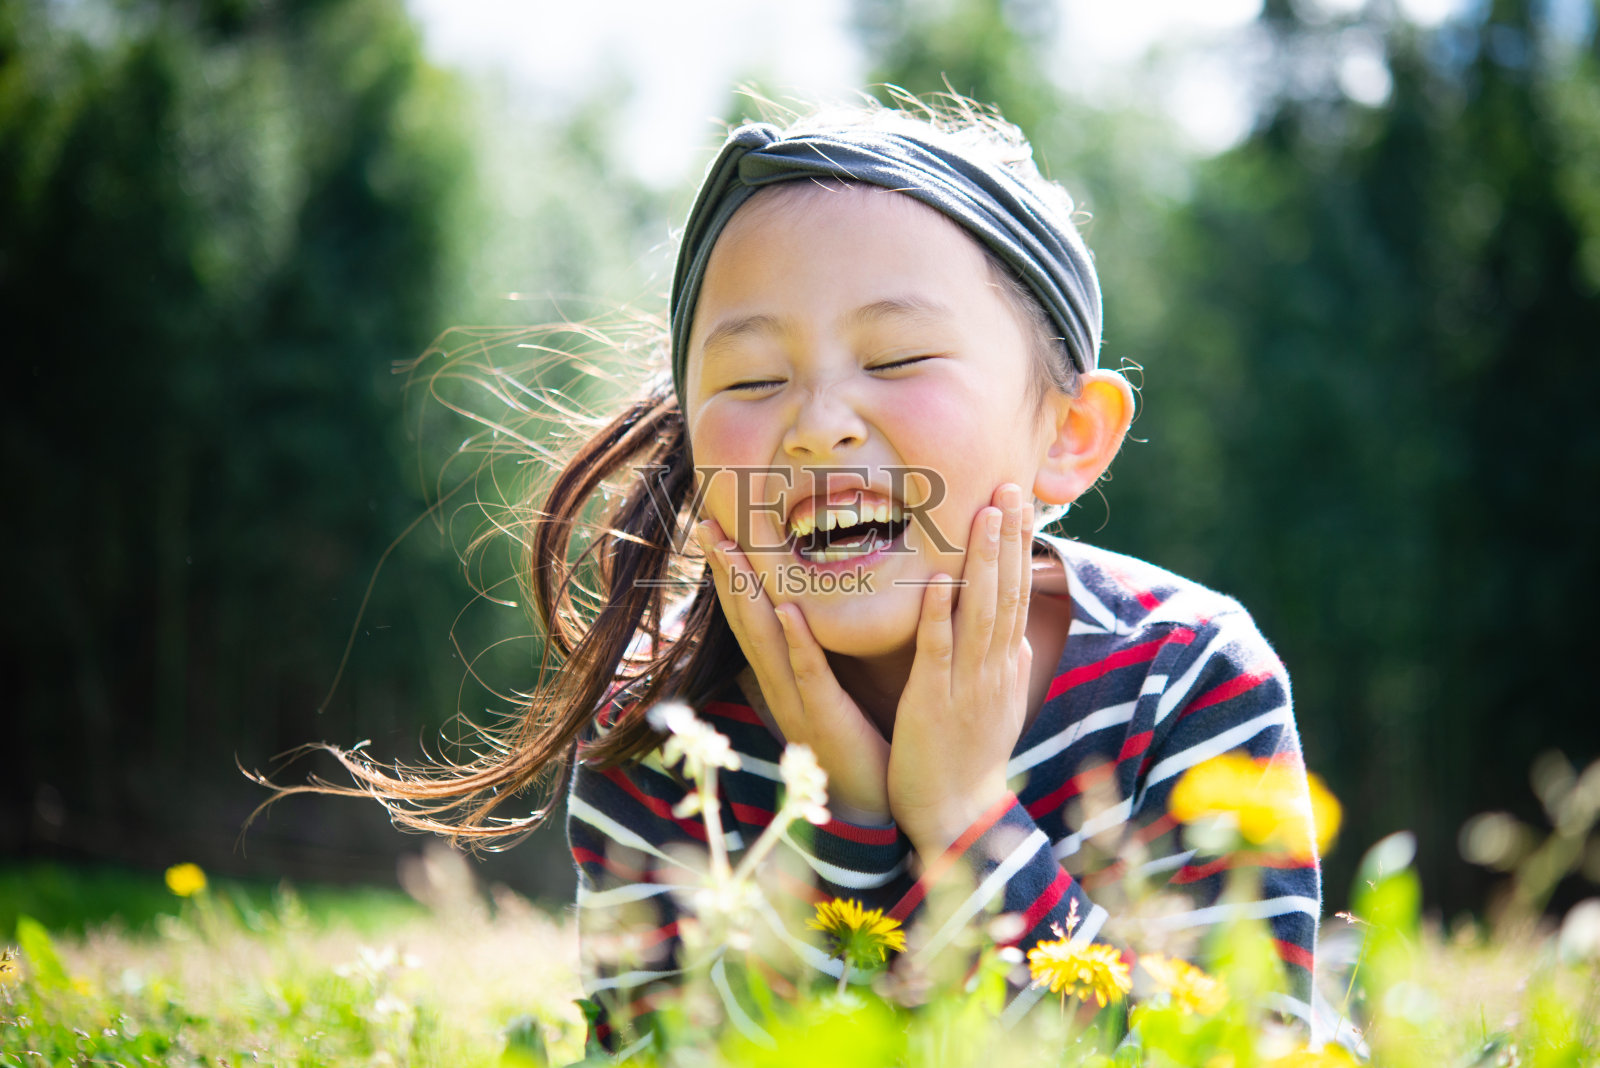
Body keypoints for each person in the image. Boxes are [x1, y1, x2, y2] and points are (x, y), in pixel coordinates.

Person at [296, 96, 1322, 1054]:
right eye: (751, 379)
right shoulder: (660, 734)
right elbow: (667, 1052)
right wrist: (846, 828)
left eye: (896, 360)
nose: (818, 422)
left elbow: (1241, 1048)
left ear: (1067, 434)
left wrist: (964, 815)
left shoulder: (1185, 676)